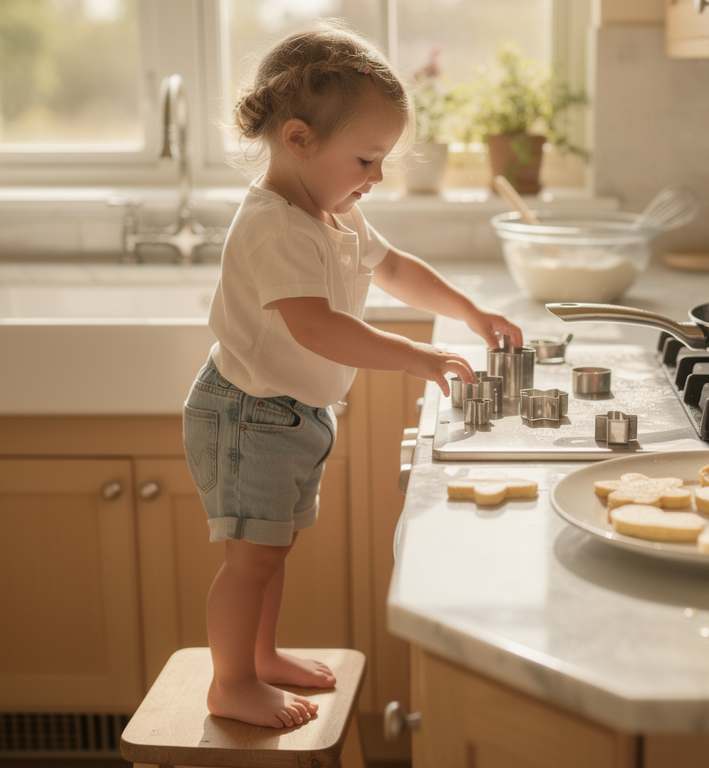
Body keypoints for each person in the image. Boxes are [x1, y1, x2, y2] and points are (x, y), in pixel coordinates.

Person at [181, 22, 522, 729]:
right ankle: (231, 683)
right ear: (298, 138)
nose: (376, 178)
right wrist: (415, 358)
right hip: (249, 415)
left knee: (271, 553)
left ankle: (260, 655)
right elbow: (315, 326)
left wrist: (468, 310)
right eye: (367, 159)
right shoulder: (275, 225)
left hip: (293, 415)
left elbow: (393, 268)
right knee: (249, 562)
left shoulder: (331, 215)